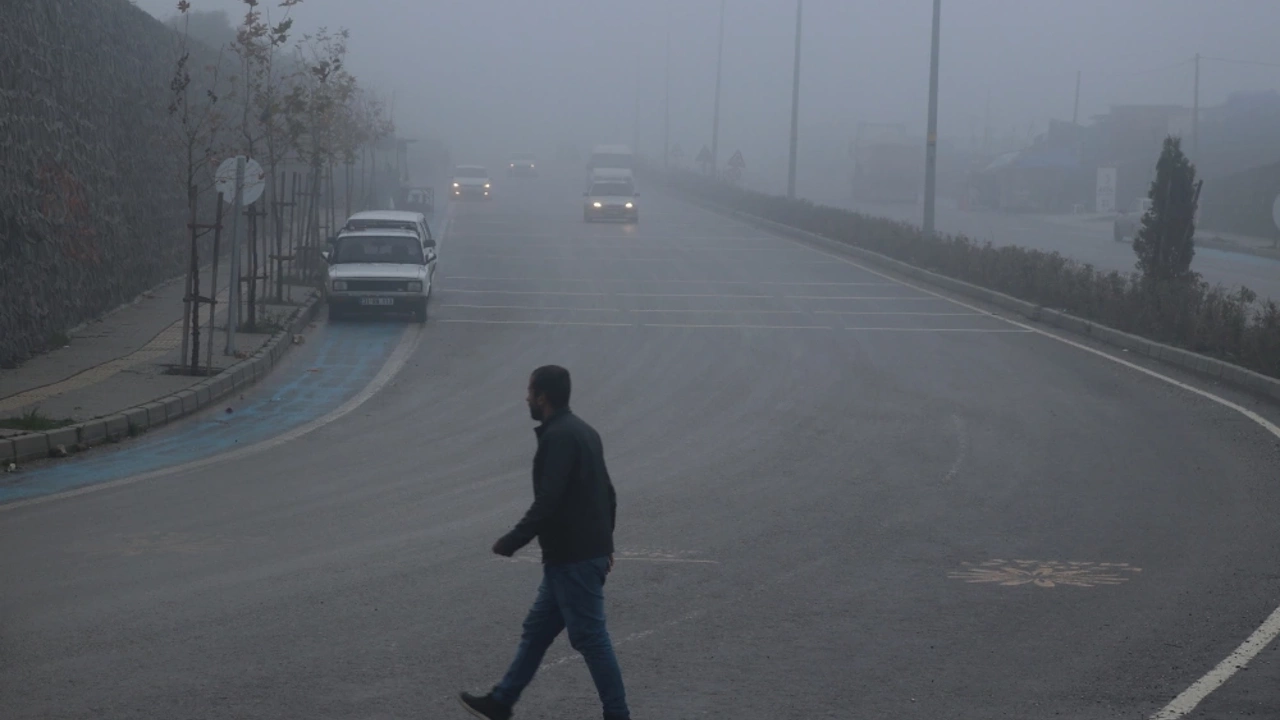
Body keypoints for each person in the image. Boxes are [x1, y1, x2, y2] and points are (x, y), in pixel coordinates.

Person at [459, 365, 630, 720]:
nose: (526, 398)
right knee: (537, 631)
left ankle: (618, 715)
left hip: (574, 558)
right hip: (575, 556)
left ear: (543, 397)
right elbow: (608, 493)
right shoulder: (584, 431)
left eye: (529, 391)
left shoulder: (559, 438)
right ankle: (501, 701)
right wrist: (606, 544)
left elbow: (548, 500)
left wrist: (512, 539)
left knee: (591, 638)